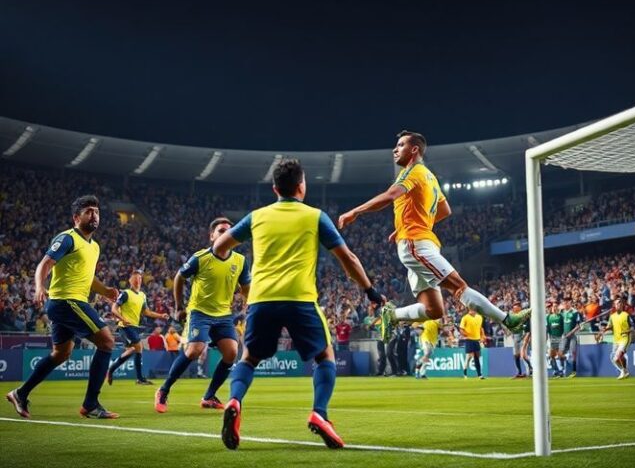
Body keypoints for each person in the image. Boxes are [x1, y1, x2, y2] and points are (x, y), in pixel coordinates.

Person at [212, 159, 385, 450]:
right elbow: (348, 259)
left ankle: (234, 401)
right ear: (301, 186)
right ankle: (320, 413)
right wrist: (370, 290)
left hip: (262, 298)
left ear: (275, 188)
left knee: (249, 359)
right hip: (299, 299)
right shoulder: (315, 217)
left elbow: (219, 247)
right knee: (325, 356)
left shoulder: (257, 217)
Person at [338, 130, 530, 341]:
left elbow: (391, 196)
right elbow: (444, 209)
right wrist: (408, 224)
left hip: (416, 243)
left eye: (400, 145)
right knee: (459, 287)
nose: (395, 149)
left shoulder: (414, 172)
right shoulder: (430, 176)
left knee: (434, 310)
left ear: (414, 150)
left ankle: (392, 315)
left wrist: (355, 211)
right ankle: (507, 320)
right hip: (416, 244)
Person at [5, 195, 120, 419]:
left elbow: (87, 277)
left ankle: (20, 393)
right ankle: (90, 404)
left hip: (69, 303)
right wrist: (39, 286)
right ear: (76, 217)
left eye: (96, 211)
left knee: (61, 354)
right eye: (88, 211)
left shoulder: (94, 246)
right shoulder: (67, 238)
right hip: (67, 301)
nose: (94, 215)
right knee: (107, 341)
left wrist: (106, 291)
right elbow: (45, 263)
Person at [154, 217, 250, 413]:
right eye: (221, 230)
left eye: (229, 230)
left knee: (232, 353)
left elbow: (246, 286)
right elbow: (179, 277)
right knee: (194, 350)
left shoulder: (240, 261)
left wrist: (249, 305)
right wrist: (179, 307)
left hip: (223, 315)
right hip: (200, 312)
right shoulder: (201, 258)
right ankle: (163, 390)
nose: (226, 233)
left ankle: (209, 396)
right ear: (212, 236)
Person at [107, 270, 170, 385]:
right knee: (138, 346)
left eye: (139, 278)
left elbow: (147, 312)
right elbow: (114, 308)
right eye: (135, 278)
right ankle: (139, 378)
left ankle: (112, 369)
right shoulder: (125, 293)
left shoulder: (142, 295)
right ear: (130, 280)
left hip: (134, 327)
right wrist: (122, 318)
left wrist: (161, 315)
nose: (137, 280)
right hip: (125, 326)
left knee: (133, 349)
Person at [597, 296, 633, 379]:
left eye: (620, 303)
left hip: (625, 338)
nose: (618, 305)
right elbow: (610, 326)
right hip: (616, 339)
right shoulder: (612, 316)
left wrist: (627, 331)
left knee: (617, 357)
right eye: (616, 304)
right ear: (614, 305)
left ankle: (623, 371)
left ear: (622, 305)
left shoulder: (626, 315)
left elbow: (632, 327)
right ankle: (624, 371)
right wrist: (604, 330)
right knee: (614, 359)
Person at [504, 300, 528, 378]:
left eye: (516, 308)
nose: (514, 310)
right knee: (516, 355)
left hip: (522, 337)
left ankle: (530, 370)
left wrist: (526, 336)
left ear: (520, 308)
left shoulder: (524, 316)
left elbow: (527, 327)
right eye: (514, 308)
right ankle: (519, 372)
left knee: (523, 355)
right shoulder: (513, 317)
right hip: (515, 337)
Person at [460, 307, 485, 379]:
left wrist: (483, 336)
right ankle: (465, 372)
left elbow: (480, 328)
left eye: (473, 309)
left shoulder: (479, 317)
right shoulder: (465, 318)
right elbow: (461, 329)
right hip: (469, 340)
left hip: (477, 340)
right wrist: (465, 334)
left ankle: (480, 375)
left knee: (477, 356)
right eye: (470, 309)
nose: (471, 311)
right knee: (469, 357)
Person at [561, 297, 583, 378]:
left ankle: (574, 371)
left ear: (570, 303)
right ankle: (562, 370)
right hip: (564, 335)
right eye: (565, 302)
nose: (566, 304)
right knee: (560, 353)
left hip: (572, 335)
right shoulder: (562, 312)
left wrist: (571, 332)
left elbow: (578, 326)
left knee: (573, 353)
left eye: (568, 302)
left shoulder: (575, 312)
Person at [545, 301, 565, 378]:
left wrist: (563, 336)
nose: (554, 308)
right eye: (553, 307)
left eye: (556, 306)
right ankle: (556, 370)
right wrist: (546, 337)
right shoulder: (548, 317)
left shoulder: (561, 317)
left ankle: (561, 370)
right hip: (552, 338)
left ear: (558, 308)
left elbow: (564, 327)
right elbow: (547, 328)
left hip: (559, 337)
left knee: (558, 354)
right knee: (551, 355)